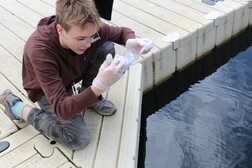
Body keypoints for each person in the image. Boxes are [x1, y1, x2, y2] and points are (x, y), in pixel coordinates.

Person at [0, 0, 152, 150]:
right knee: (78, 139)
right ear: (60, 30)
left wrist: (132, 41)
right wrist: (100, 86)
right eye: (80, 39)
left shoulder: (88, 29)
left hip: (73, 72)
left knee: (106, 48)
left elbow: (121, 32)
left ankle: (89, 98)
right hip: (45, 89)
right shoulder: (40, 51)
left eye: (91, 36)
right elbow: (62, 108)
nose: (88, 43)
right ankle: (17, 107)